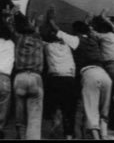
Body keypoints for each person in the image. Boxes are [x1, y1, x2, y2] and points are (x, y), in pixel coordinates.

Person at [47, 13, 112, 140]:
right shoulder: (93, 38)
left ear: (75, 30)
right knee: (104, 109)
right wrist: (87, 21)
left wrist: (50, 20)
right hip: (105, 75)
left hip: (90, 74)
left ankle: (96, 137)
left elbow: (58, 31)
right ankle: (104, 135)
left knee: (91, 109)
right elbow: (88, 29)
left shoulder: (76, 40)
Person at [4, 5, 44, 140]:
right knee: (34, 117)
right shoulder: (38, 40)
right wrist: (35, 20)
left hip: (19, 77)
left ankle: (21, 136)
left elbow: (9, 27)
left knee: (19, 115)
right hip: (35, 77)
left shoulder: (18, 39)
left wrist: (12, 14)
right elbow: (36, 29)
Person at [41, 7, 77, 139]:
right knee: (69, 109)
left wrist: (47, 20)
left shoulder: (48, 47)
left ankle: (55, 123)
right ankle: (69, 135)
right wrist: (52, 22)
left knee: (55, 105)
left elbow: (37, 39)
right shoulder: (68, 46)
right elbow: (61, 34)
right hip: (70, 79)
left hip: (55, 80)